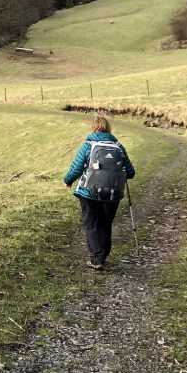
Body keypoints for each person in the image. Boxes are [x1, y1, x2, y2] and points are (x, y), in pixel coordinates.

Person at [62, 115, 135, 271]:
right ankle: (103, 256)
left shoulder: (88, 146)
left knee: (92, 224)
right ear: (108, 128)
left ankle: (96, 259)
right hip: (113, 194)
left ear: (93, 128)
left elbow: (76, 168)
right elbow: (130, 173)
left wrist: (67, 180)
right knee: (105, 224)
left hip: (88, 193)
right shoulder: (119, 147)